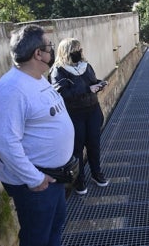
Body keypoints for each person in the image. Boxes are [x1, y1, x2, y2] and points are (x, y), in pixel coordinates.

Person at [0, 24, 75, 246]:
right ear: (38, 53)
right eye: (49, 46)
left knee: (54, 229)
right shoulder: (12, 88)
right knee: (37, 238)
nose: (52, 49)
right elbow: (6, 143)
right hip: (37, 183)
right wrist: (35, 179)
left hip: (54, 177)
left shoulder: (37, 78)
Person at [50, 37, 109, 195]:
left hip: (92, 111)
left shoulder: (86, 66)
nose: (80, 52)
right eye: (77, 50)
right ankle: (79, 181)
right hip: (74, 114)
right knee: (77, 149)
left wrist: (100, 83)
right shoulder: (58, 70)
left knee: (94, 145)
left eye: (80, 49)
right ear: (68, 52)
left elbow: (91, 81)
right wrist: (87, 90)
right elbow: (62, 93)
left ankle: (97, 174)